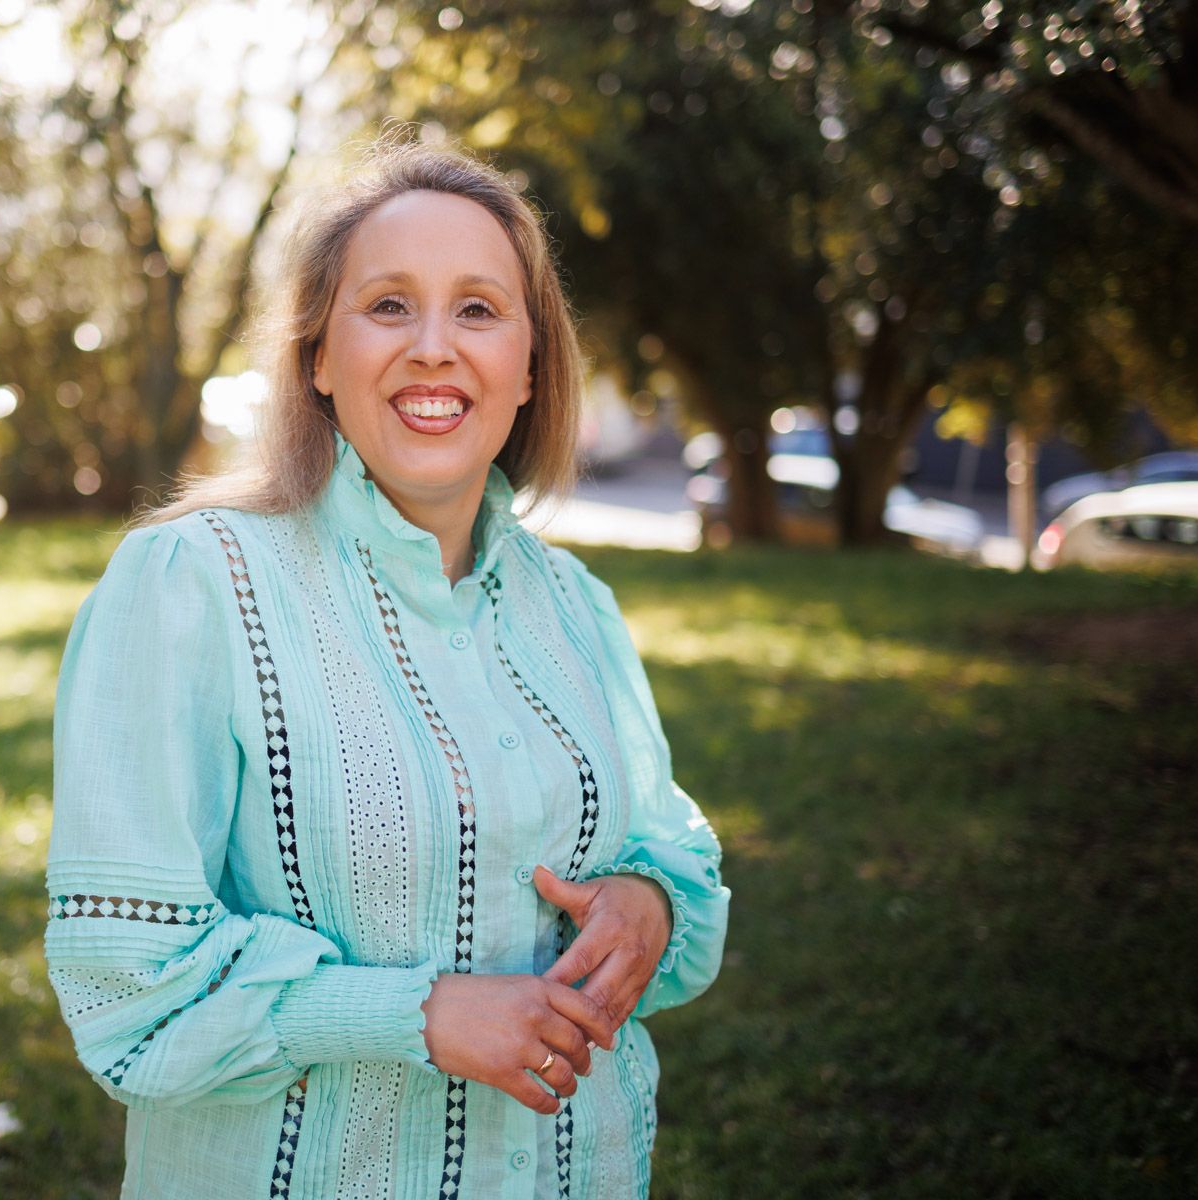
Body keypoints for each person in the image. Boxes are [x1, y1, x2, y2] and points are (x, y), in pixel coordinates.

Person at [46, 139, 731, 1199]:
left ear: (530, 366)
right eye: (387, 306)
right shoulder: (190, 584)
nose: (433, 348)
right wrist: (417, 1014)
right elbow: (129, 991)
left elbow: (671, 843)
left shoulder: (575, 606)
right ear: (319, 356)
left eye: (477, 310)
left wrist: (647, 900)